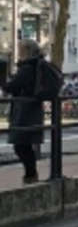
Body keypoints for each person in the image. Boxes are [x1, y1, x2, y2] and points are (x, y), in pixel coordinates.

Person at [4, 39, 46, 183]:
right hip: (32, 109)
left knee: (21, 144)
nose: (19, 52)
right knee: (25, 143)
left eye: (21, 49)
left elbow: (12, 86)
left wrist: (5, 83)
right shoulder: (36, 65)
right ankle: (31, 175)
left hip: (25, 111)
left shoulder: (27, 68)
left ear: (27, 51)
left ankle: (30, 175)